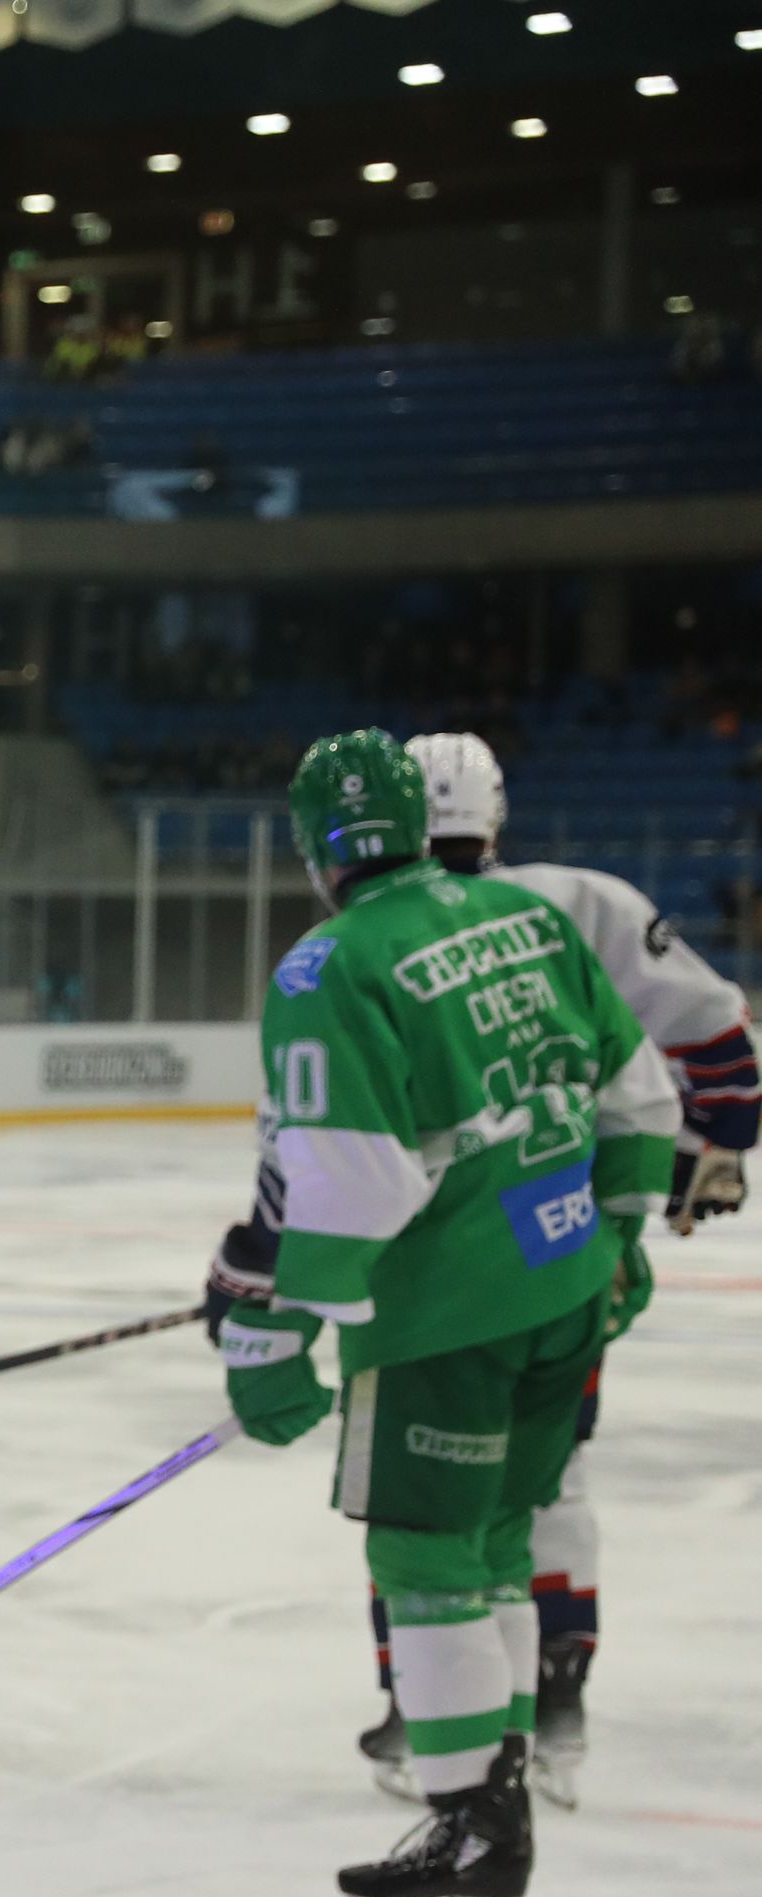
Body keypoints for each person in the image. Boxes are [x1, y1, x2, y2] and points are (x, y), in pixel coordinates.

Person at [211, 731, 754, 1814]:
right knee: (537, 1498)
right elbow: (674, 1065)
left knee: (426, 1533)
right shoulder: (552, 910)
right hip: (564, 1268)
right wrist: (662, 1189)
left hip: (442, 1301)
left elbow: (330, 1174)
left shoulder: (341, 953)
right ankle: (540, 1711)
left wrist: (267, 1308)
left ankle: (458, 1774)